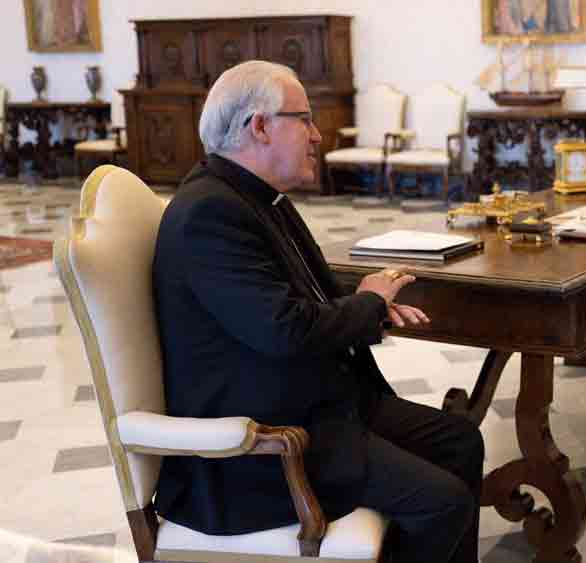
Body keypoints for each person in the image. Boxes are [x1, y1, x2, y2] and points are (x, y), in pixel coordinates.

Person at [152, 60, 484, 563]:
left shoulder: (256, 198)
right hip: (266, 443)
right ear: (259, 126)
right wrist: (368, 302)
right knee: (440, 504)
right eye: (303, 118)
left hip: (318, 404)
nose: (317, 133)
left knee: (460, 441)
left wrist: (371, 301)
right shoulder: (209, 212)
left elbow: (305, 299)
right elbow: (284, 329)